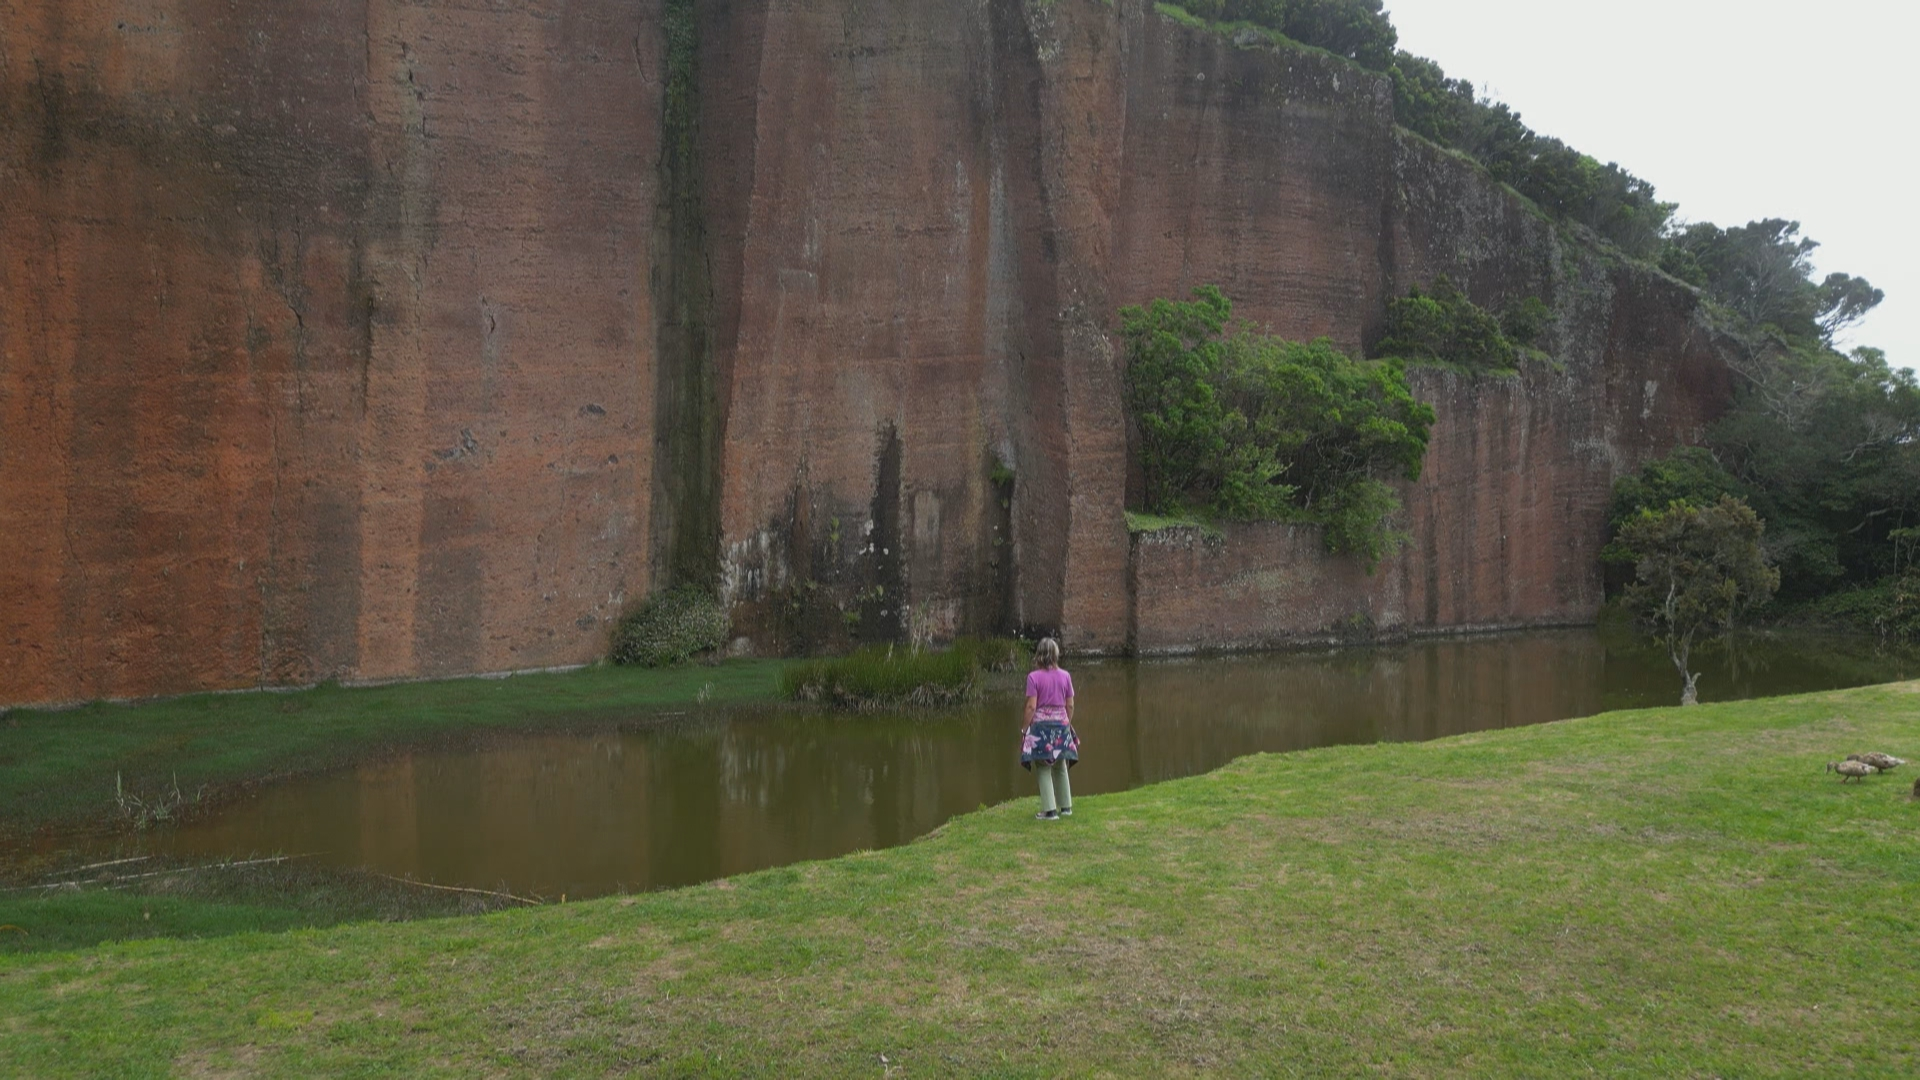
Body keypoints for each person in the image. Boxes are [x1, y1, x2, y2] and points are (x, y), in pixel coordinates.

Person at [1020, 637, 1079, 820]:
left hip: (1041, 727)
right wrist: (1066, 723)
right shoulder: (1065, 676)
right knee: (1060, 765)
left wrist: (1024, 729)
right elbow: (1070, 705)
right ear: (1055, 654)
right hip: (1062, 725)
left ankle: (1050, 811)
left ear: (1039, 654)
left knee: (1043, 766)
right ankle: (1066, 808)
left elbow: (1031, 706)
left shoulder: (1033, 677)